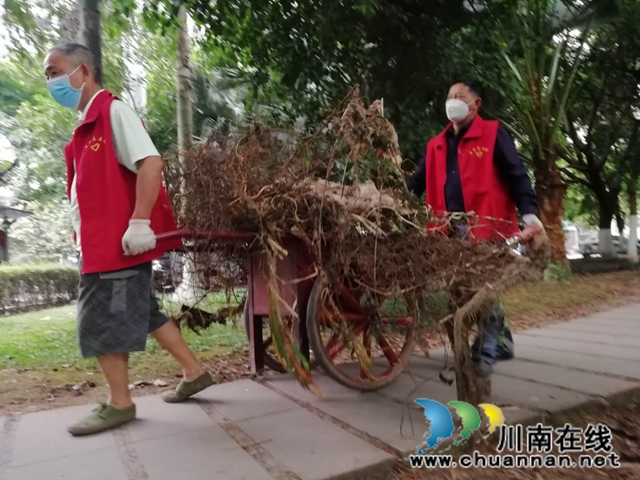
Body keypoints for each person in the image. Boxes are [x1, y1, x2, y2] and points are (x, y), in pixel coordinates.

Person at [44, 43, 214, 436]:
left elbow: (151, 163)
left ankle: (120, 404)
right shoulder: (86, 127)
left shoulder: (112, 112)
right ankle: (195, 371)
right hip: (103, 248)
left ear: (83, 72)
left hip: (116, 250)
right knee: (146, 312)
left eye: (56, 72)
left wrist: (139, 222)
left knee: (102, 320)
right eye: (47, 76)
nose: (51, 81)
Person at [406, 78, 543, 376]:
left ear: (475, 103)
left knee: (484, 287)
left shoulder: (493, 134)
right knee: (463, 292)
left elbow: (518, 177)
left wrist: (530, 217)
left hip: (487, 226)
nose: (452, 101)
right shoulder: (436, 145)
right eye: (449, 96)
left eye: (460, 96)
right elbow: (414, 183)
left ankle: (488, 344)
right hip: (447, 231)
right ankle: (502, 339)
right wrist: (384, 191)